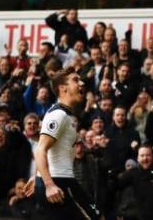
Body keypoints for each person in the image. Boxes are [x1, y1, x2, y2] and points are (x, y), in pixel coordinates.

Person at [26, 68, 102, 219]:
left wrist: (38, 176)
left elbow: (48, 150)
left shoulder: (64, 114)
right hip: (58, 183)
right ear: (63, 88)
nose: (81, 83)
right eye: (75, 80)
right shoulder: (58, 115)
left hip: (59, 180)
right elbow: (40, 149)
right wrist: (48, 184)